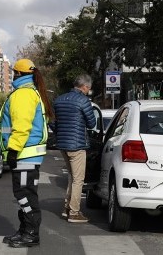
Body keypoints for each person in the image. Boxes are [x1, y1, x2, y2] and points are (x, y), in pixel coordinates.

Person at [0, 58, 54, 248]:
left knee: (24, 194)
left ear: (18, 74)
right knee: (25, 193)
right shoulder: (30, 92)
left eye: (14, 72)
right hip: (28, 154)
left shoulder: (22, 94)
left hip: (24, 154)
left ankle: (30, 233)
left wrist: (13, 150)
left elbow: (21, 126)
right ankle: (25, 230)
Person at [54, 74, 96, 223]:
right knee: (79, 179)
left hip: (62, 144)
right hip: (77, 145)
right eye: (88, 88)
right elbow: (92, 123)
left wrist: (61, 134)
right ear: (84, 86)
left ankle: (67, 208)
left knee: (72, 177)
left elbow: (53, 123)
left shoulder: (59, 100)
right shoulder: (83, 101)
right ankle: (74, 212)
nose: (88, 91)